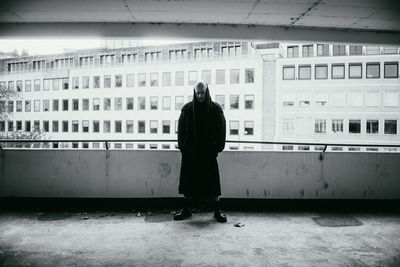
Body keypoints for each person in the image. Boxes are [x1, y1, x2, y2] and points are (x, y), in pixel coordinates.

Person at [174, 81, 227, 223]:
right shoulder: (187, 109)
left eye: (202, 92)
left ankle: (217, 211)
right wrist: (182, 147)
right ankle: (187, 210)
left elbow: (222, 129)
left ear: (207, 91)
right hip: (190, 153)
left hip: (208, 153)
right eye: (198, 93)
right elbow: (181, 130)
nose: (200, 95)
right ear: (194, 93)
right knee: (188, 184)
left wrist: (218, 147)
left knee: (213, 184)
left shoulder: (216, 109)